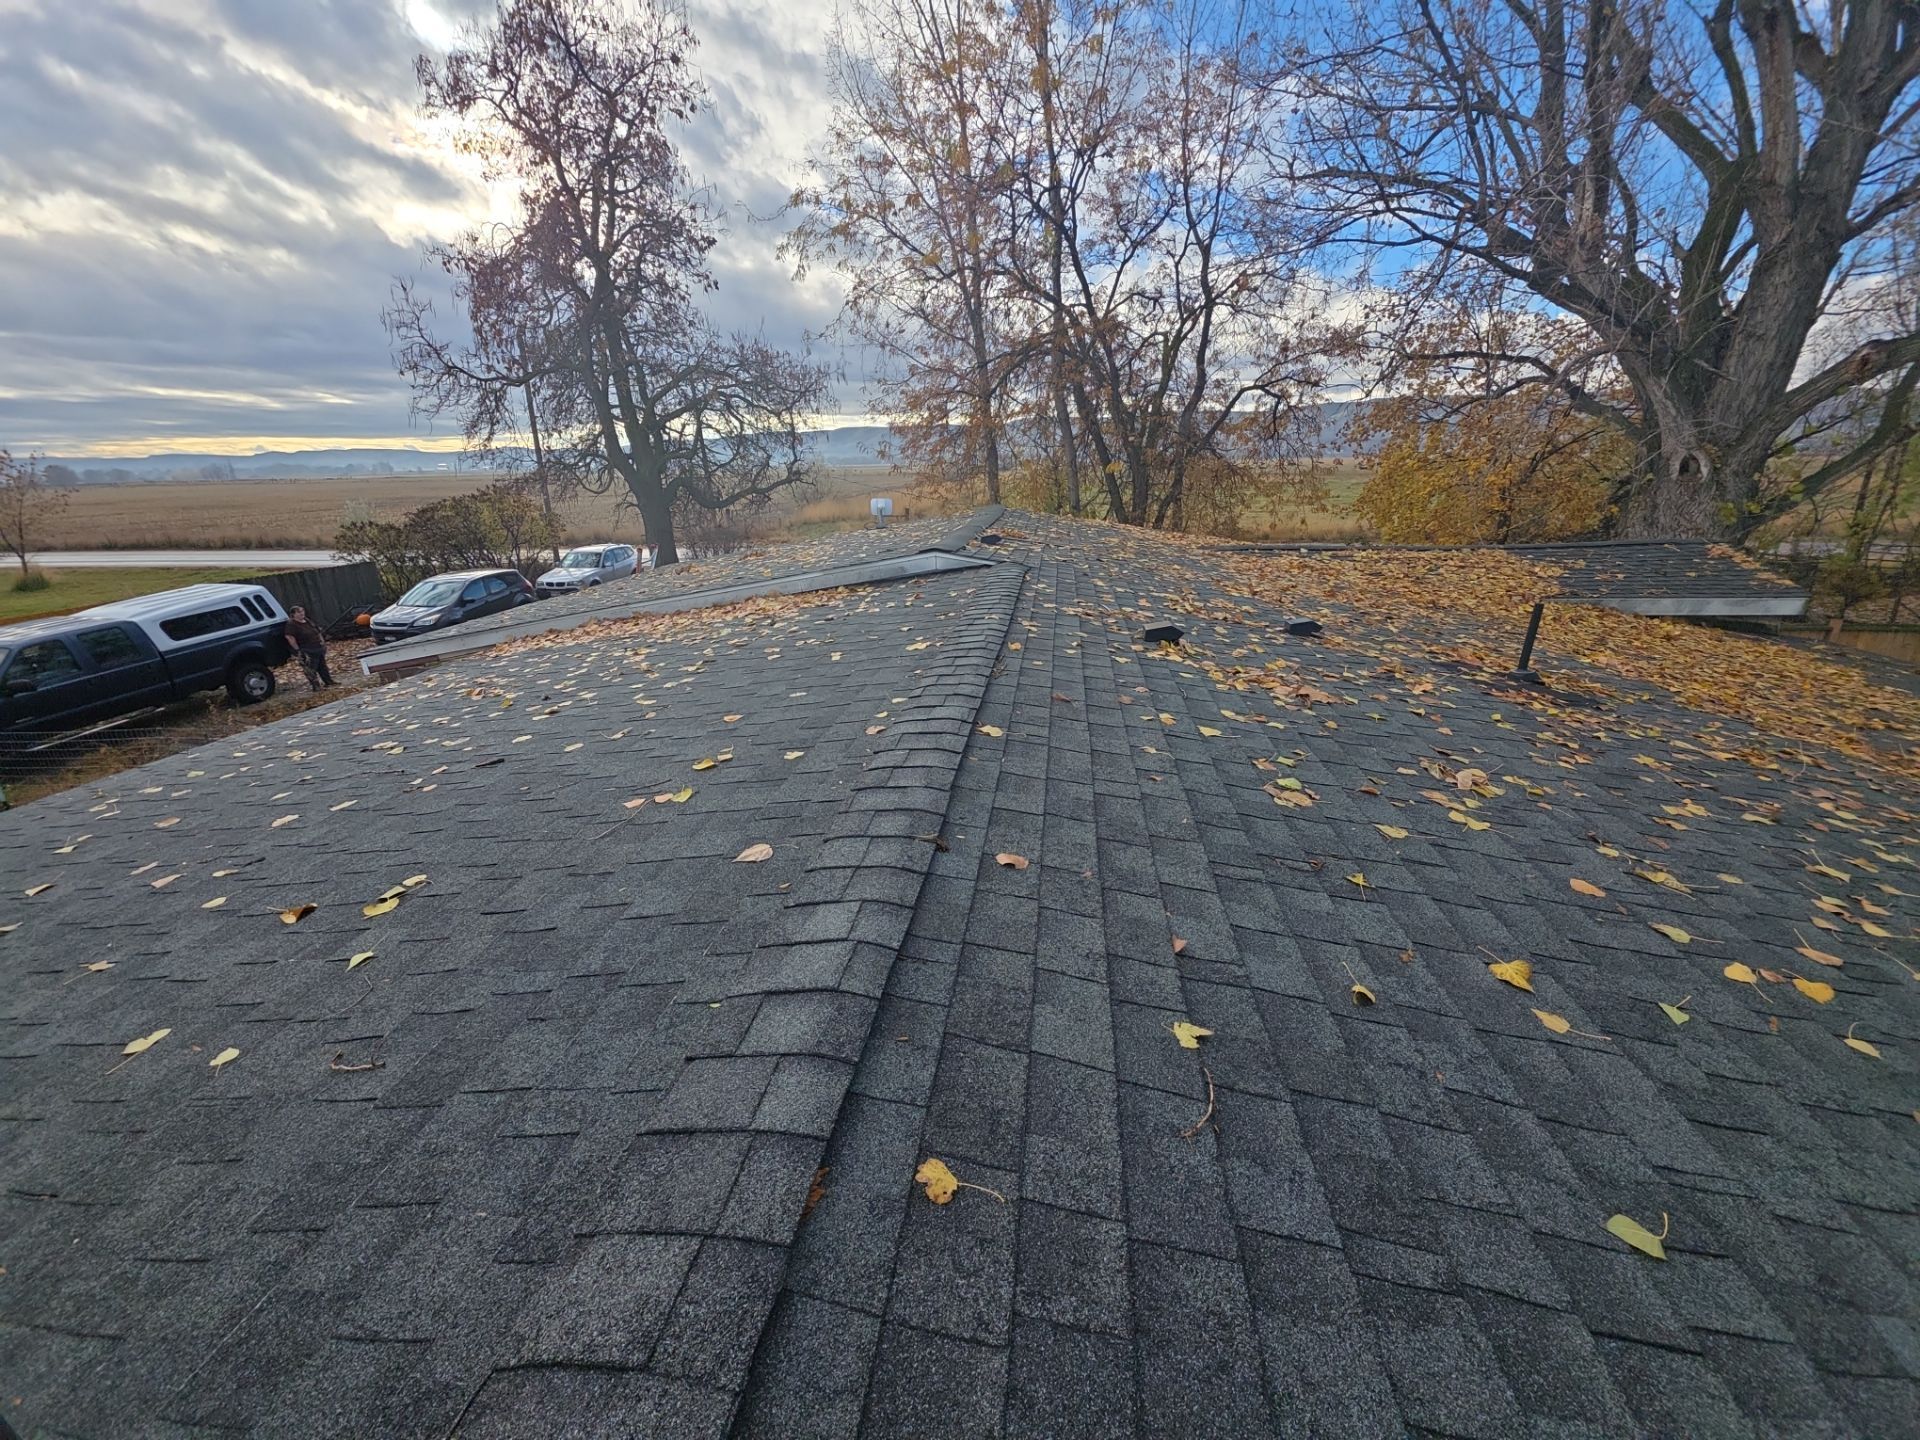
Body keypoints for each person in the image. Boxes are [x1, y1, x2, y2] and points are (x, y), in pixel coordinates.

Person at [285, 605, 334, 689]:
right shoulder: (291, 624)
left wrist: (322, 641)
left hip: (317, 647)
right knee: (310, 668)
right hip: (306, 649)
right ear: (293, 614)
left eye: (302, 611)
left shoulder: (307, 620)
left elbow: (316, 631)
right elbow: (290, 637)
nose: (302, 613)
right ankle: (316, 686)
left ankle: (328, 682)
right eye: (299, 612)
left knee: (322, 666)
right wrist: (297, 650)